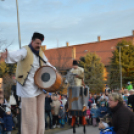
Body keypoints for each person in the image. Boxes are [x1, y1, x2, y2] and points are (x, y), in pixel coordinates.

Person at [1, 32, 55, 134]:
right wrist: (7, 55)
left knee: (40, 115)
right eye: (37, 43)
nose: (38, 45)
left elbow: (48, 64)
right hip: (27, 87)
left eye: (40, 43)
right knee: (30, 116)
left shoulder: (41, 53)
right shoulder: (25, 50)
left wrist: (55, 72)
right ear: (32, 41)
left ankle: (39, 132)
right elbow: (16, 54)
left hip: (39, 86)